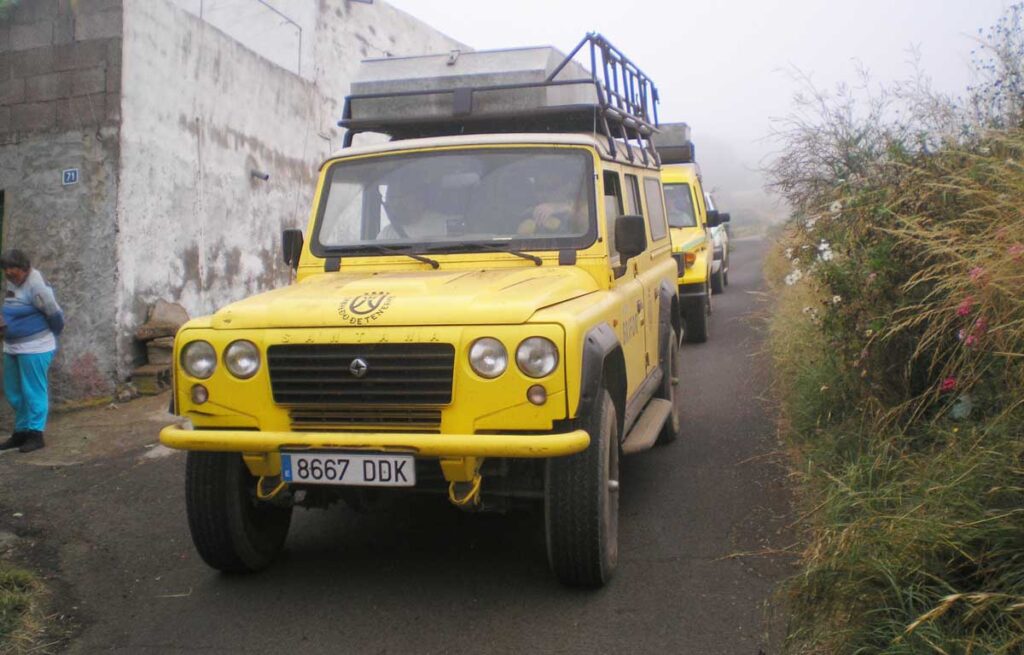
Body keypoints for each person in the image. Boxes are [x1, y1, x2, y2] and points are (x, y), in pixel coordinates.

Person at [0, 249, 64, 453]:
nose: (9, 272)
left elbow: (55, 314)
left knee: (33, 390)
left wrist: (50, 335)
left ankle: (36, 434)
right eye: (5, 268)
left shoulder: (37, 286)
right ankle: (21, 432)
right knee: (14, 391)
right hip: (12, 345)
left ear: (25, 269)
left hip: (35, 347)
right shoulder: (13, 282)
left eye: (13, 268)